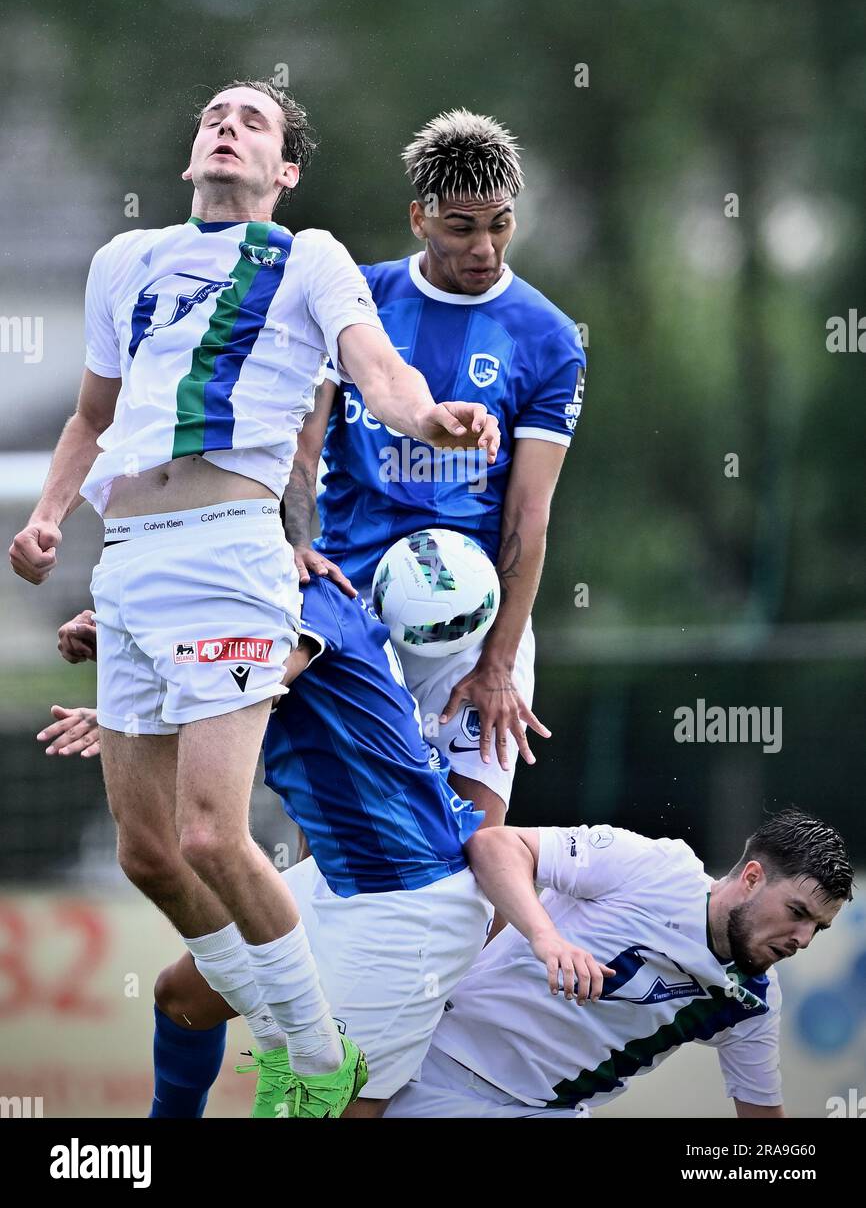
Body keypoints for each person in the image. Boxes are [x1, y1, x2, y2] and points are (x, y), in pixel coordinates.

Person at [11, 79, 499, 1118]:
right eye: (212, 116)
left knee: (207, 837)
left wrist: (432, 418)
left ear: (283, 172)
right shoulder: (123, 262)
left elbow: (381, 376)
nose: (224, 126)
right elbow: (93, 415)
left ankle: (317, 1062)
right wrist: (52, 514)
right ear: (193, 152)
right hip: (130, 558)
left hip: (231, 555)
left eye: (253, 123)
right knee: (150, 853)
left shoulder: (306, 258)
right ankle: (289, 1032)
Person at [38, 574, 498, 1118]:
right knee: (183, 999)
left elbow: (243, 693)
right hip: (340, 874)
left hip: (410, 896)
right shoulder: (237, 601)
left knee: (318, 1110)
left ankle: (316, 1066)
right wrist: (123, 681)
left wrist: (129, 667)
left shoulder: (299, 596)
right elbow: (223, 695)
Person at [284, 109, 587, 828]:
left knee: (479, 854)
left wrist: (500, 663)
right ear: (420, 218)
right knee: (338, 849)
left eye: (500, 225)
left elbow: (528, 511)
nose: (485, 247)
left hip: (475, 625)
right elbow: (300, 448)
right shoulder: (355, 300)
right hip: (348, 607)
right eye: (462, 228)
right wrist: (293, 540)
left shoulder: (548, 338)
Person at [383, 809, 853, 1118]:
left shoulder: (754, 1001)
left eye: (819, 928)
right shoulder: (655, 868)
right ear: (752, 878)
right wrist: (546, 938)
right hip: (433, 1069)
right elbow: (495, 846)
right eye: (797, 913)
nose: (804, 939)